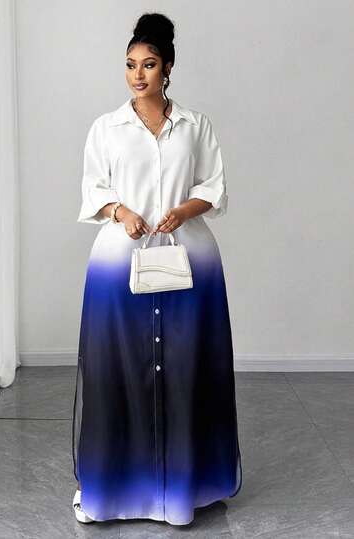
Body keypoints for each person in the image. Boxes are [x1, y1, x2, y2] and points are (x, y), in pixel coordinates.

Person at [71, 11, 242, 527]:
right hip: (118, 266)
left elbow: (213, 187)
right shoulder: (106, 128)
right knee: (117, 374)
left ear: (167, 67)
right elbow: (94, 190)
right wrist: (121, 212)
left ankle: (183, 490)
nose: (137, 74)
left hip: (190, 262)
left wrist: (183, 211)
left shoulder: (196, 126)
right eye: (130, 64)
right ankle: (112, 491)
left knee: (189, 371)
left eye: (148, 64)